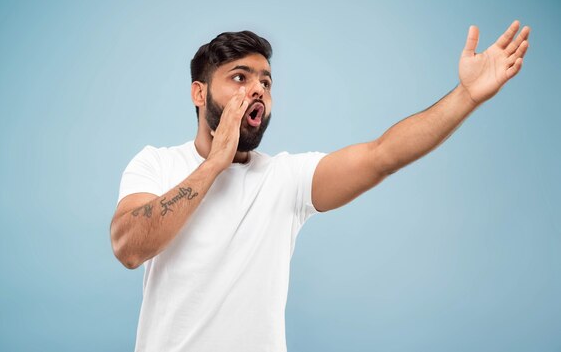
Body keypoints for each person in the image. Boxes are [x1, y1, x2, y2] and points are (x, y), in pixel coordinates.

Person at [110, 23, 530, 352]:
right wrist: (216, 164)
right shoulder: (156, 164)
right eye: (240, 78)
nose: (258, 89)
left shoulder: (285, 179)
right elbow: (128, 247)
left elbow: (382, 155)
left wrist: (466, 96)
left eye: (266, 82)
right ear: (199, 93)